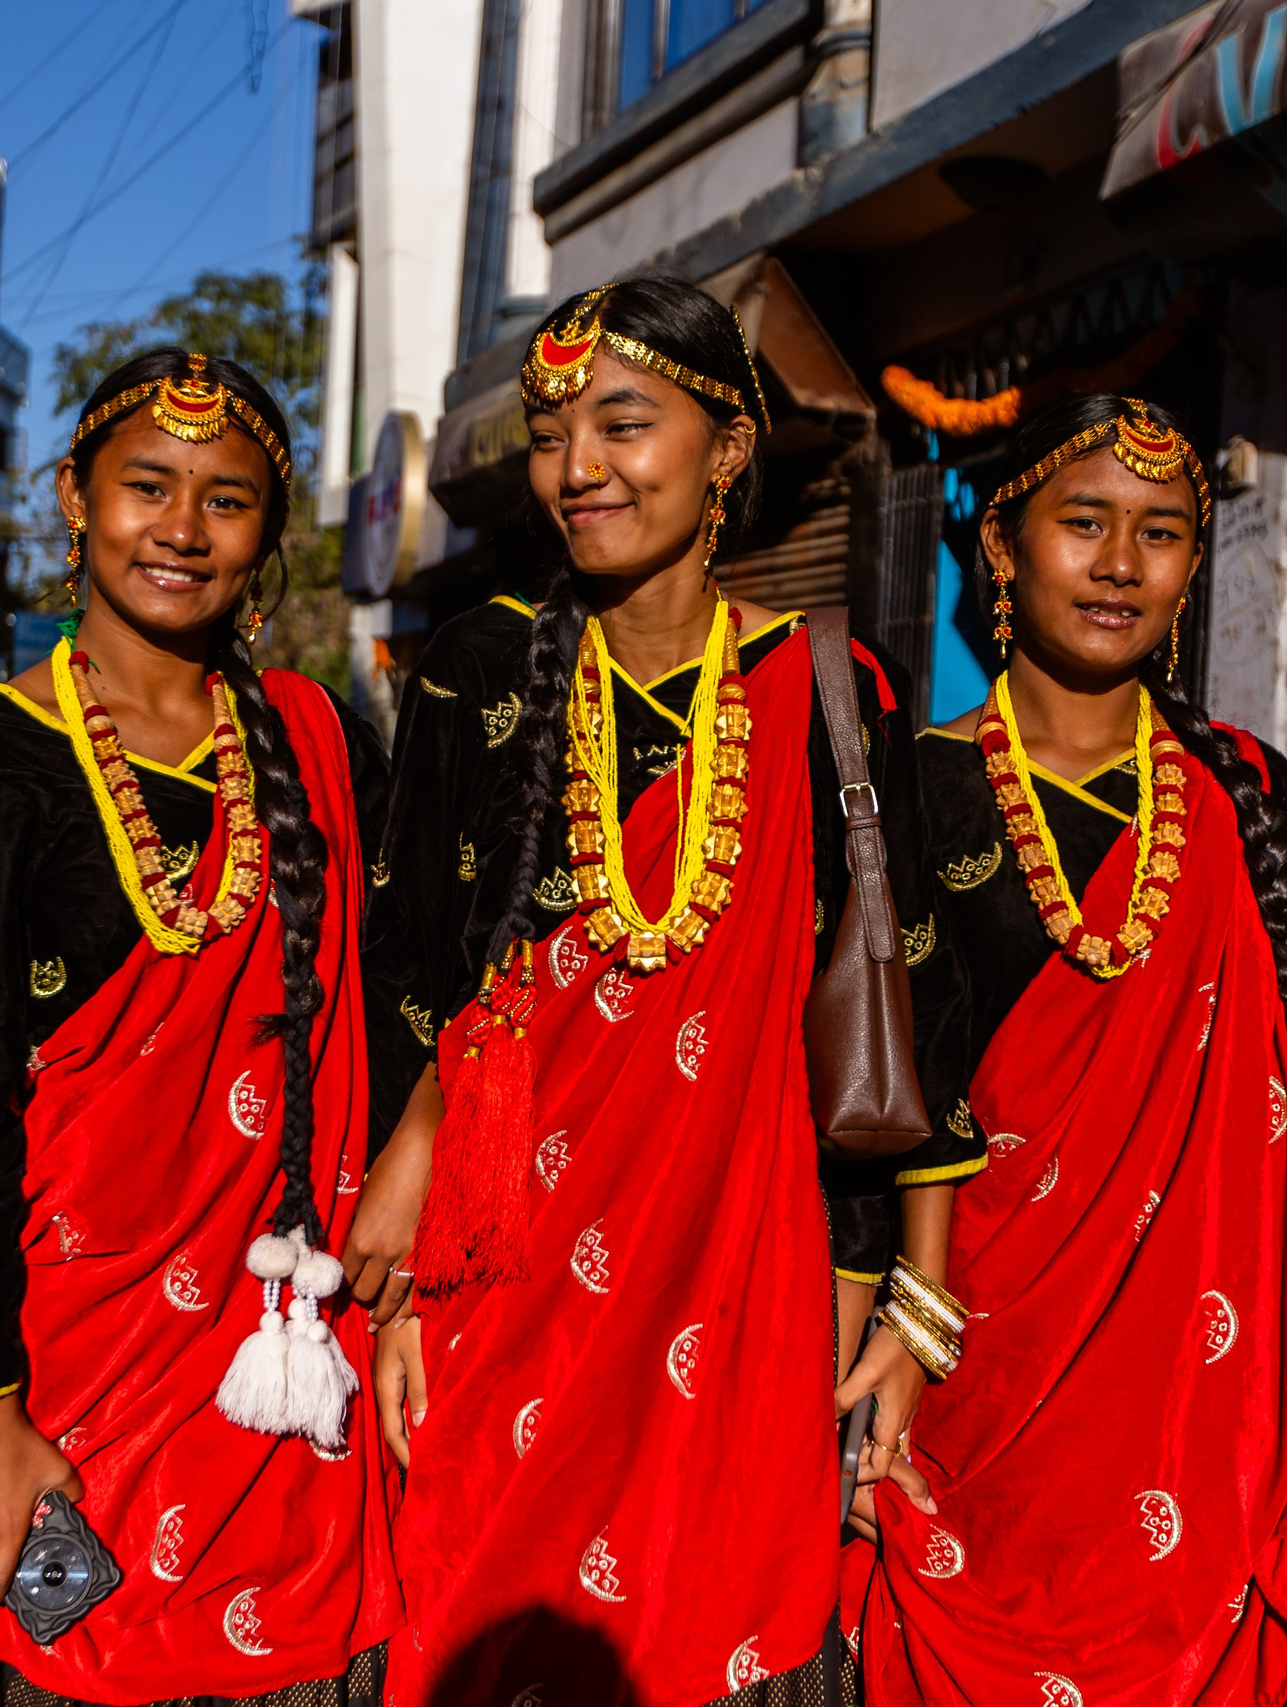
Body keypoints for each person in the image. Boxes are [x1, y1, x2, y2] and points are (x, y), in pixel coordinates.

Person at [348, 276, 965, 1705]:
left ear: (728, 448)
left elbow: (903, 1003)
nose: (581, 468)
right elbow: (410, 979)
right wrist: (396, 1294)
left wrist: (897, 1301)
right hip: (496, 1282)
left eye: (625, 423)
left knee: (713, 1638)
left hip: (742, 1284)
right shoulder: (480, 670)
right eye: (554, 433)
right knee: (488, 1630)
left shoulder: (825, 684)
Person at [845, 396, 1287, 1707]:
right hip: (972, 1376)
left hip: (1212, 1384)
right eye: (1086, 523)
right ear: (1003, 546)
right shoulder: (915, 787)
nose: (1122, 562)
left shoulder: (1251, 792)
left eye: (1161, 532)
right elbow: (870, 1116)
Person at [0, 351, 401, 1707]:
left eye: (225, 501)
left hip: (279, 1352)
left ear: (268, 539)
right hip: (68, 1360)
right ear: (74, 496)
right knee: (62, 1650)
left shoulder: (318, 736)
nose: (180, 528)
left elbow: (406, 1021)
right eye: (146, 487)